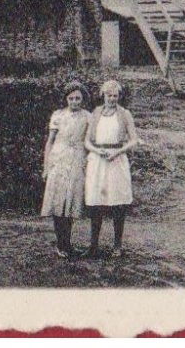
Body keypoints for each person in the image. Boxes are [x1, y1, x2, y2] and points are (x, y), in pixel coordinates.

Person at [84, 79, 140, 258]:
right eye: (109, 95)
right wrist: (96, 150)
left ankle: (117, 245)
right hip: (98, 160)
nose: (112, 99)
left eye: (115, 96)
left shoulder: (125, 114)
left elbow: (133, 140)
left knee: (117, 204)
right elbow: (86, 140)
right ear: (103, 96)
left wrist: (118, 152)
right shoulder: (96, 113)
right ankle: (94, 245)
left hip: (117, 160)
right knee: (96, 203)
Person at [40, 80, 92, 258]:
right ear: (66, 99)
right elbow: (50, 142)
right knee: (58, 201)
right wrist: (46, 166)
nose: (75, 102)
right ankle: (60, 243)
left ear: (83, 99)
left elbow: (90, 140)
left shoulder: (88, 116)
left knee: (71, 202)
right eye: (71, 98)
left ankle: (68, 244)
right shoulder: (58, 115)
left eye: (78, 98)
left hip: (77, 159)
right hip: (59, 158)